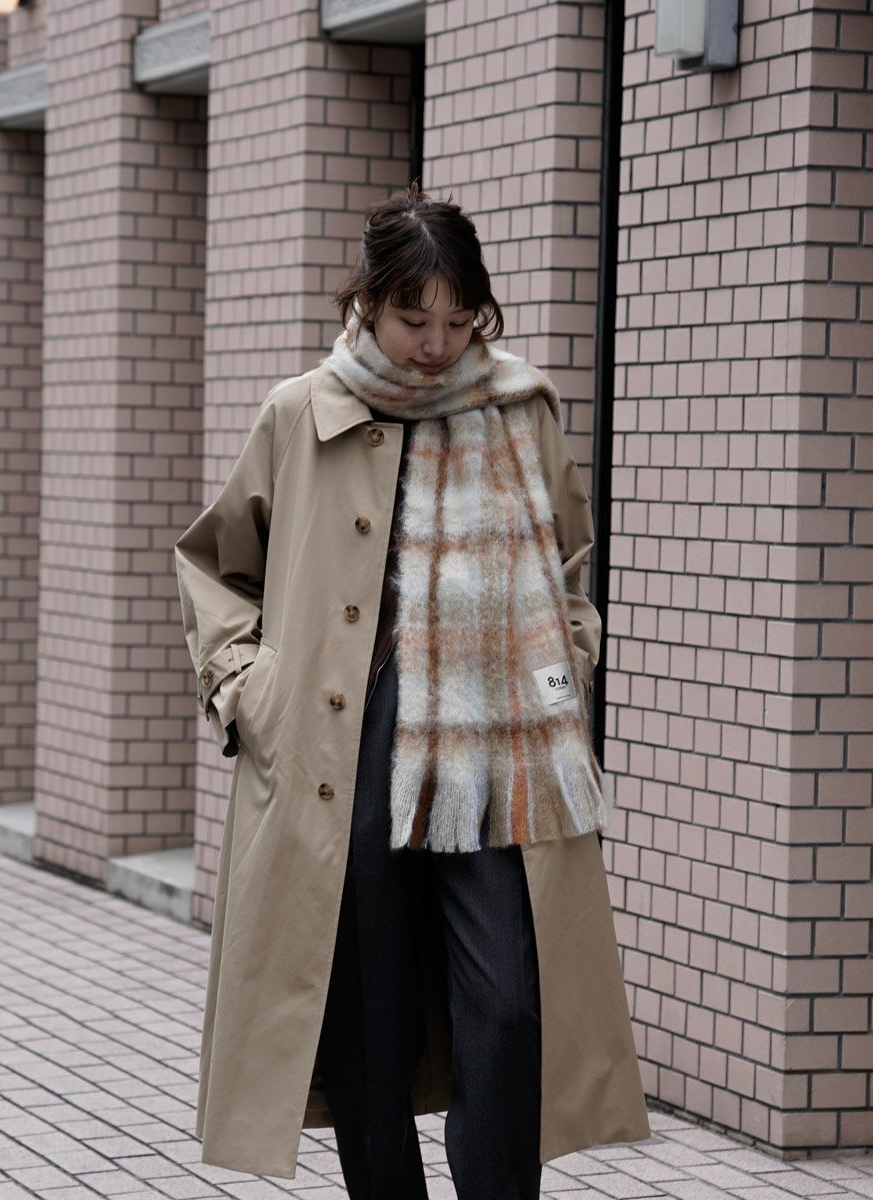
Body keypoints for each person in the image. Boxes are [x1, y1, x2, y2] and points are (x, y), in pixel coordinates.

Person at [174, 182, 650, 1199]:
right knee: (366, 1023)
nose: (436, 345)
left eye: (458, 320)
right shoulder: (302, 412)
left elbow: (569, 563)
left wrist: (566, 662)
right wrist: (246, 687)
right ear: (367, 301)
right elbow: (217, 566)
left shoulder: (518, 408)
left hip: (492, 745)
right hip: (343, 746)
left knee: (509, 1007)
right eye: (412, 319)